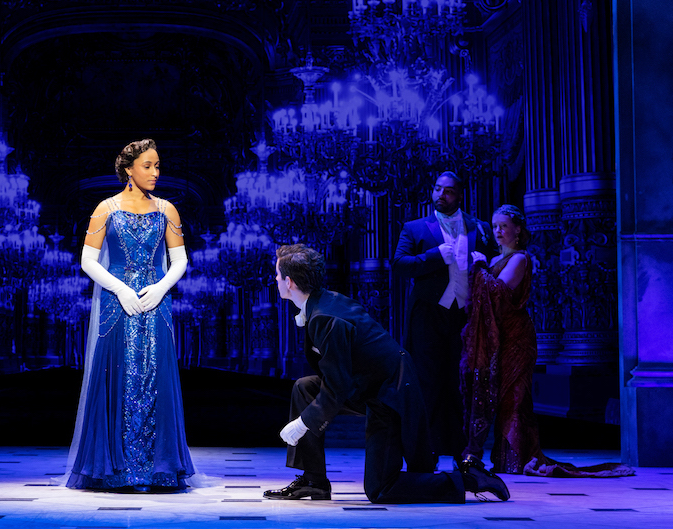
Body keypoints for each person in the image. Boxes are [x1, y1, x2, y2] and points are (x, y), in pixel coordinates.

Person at [265, 244, 510, 503]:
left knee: (381, 489)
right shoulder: (324, 302)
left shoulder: (325, 317)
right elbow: (338, 378)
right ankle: (314, 482)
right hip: (367, 385)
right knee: (305, 387)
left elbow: (336, 389)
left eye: (279, 275)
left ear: (290, 282)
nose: (277, 280)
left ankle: (470, 479)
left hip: (389, 394)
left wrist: (303, 423)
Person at [460, 205, 634, 478]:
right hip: (501, 337)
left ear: (518, 229)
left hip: (517, 338)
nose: (498, 232)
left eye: (504, 226)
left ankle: (514, 460)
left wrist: (479, 266)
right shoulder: (496, 259)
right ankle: (507, 458)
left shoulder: (519, 258)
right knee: (502, 395)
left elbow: (500, 293)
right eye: (495, 227)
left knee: (514, 398)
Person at [66, 139, 195, 491]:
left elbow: (180, 259)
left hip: (156, 303)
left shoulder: (167, 209)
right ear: (128, 169)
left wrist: (161, 287)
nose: (156, 172)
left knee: (157, 375)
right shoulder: (105, 208)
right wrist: (121, 289)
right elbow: (88, 261)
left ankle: (159, 468)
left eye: (157, 166)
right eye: (148, 166)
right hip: (117, 304)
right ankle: (114, 468)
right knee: (116, 374)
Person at [392, 171, 498, 465]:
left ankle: (461, 448)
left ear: (459, 194)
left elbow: (493, 263)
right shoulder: (415, 228)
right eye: (438, 189)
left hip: (465, 314)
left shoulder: (480, 227)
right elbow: (399, 265)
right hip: (428, 313)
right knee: (428, 380)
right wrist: (434, 256)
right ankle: (428, 448)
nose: (441, 195)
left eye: (448, 191)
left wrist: (484, 262)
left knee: (460, 380)